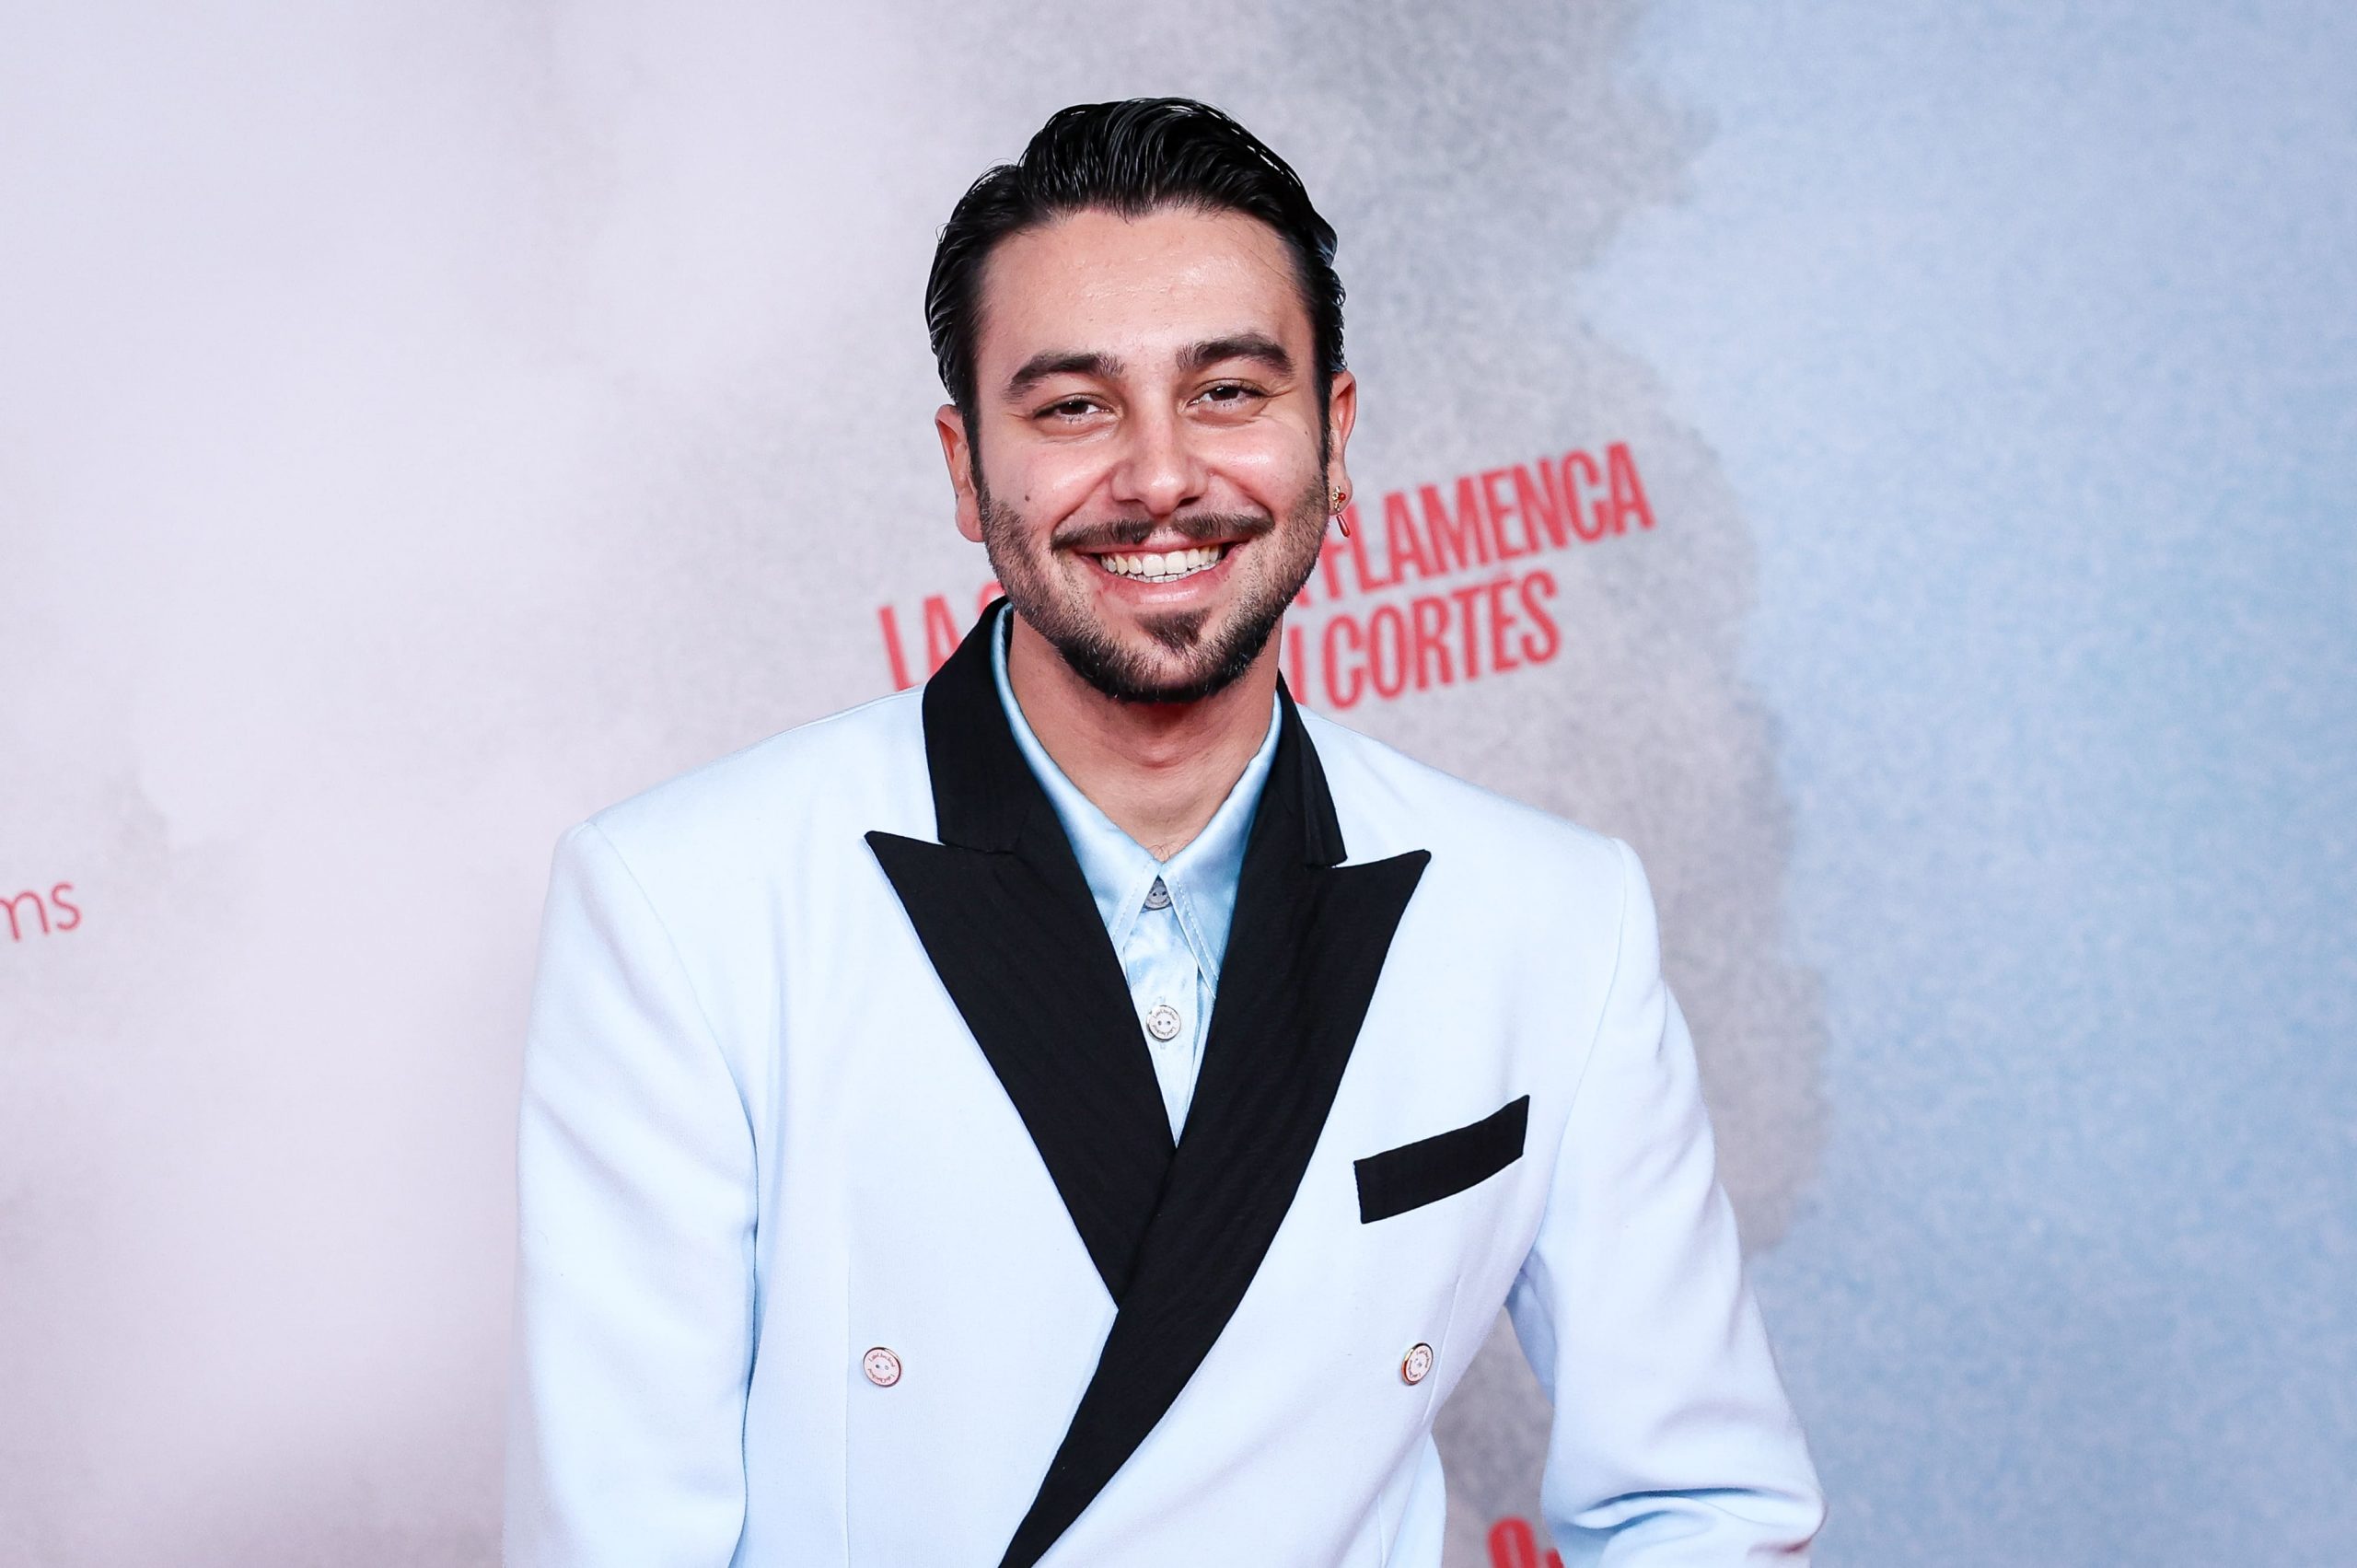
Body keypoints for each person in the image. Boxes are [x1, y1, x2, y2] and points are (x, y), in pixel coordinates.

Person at [505, 98, 1823, 1568]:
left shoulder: (1554, 921)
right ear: (966, 468)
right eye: (1074, 406)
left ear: (1334, 437)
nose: (1159, 477)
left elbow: (1708, 1507)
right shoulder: (684, 904)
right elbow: (619, 1539)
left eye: (1229, 392)